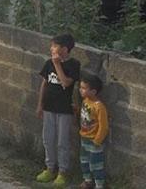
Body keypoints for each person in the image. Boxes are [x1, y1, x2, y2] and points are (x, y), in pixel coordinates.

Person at [35, 34, 81, 188]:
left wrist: (58, 65)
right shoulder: (49, 63)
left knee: (62, 141)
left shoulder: (73, 65)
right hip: (49, 107)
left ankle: (62, 172)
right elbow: (44, 84)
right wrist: (40, 104)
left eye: (54, 46)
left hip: (64, 109)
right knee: (48, 139)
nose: (51, 49)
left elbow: (66, 83)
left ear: (64, 49)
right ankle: (49, 168)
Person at [78, 73, 109, 189]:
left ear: (93, 91)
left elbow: (104, 126)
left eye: (84, 88)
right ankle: (87, 181)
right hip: (84, 137)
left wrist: (97, 140)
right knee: (84, 161)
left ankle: (99, 184)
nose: (81, 90)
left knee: (96, 164)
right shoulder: (85, 101)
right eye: (81, 87)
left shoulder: (99, 106)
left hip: (94, 140)